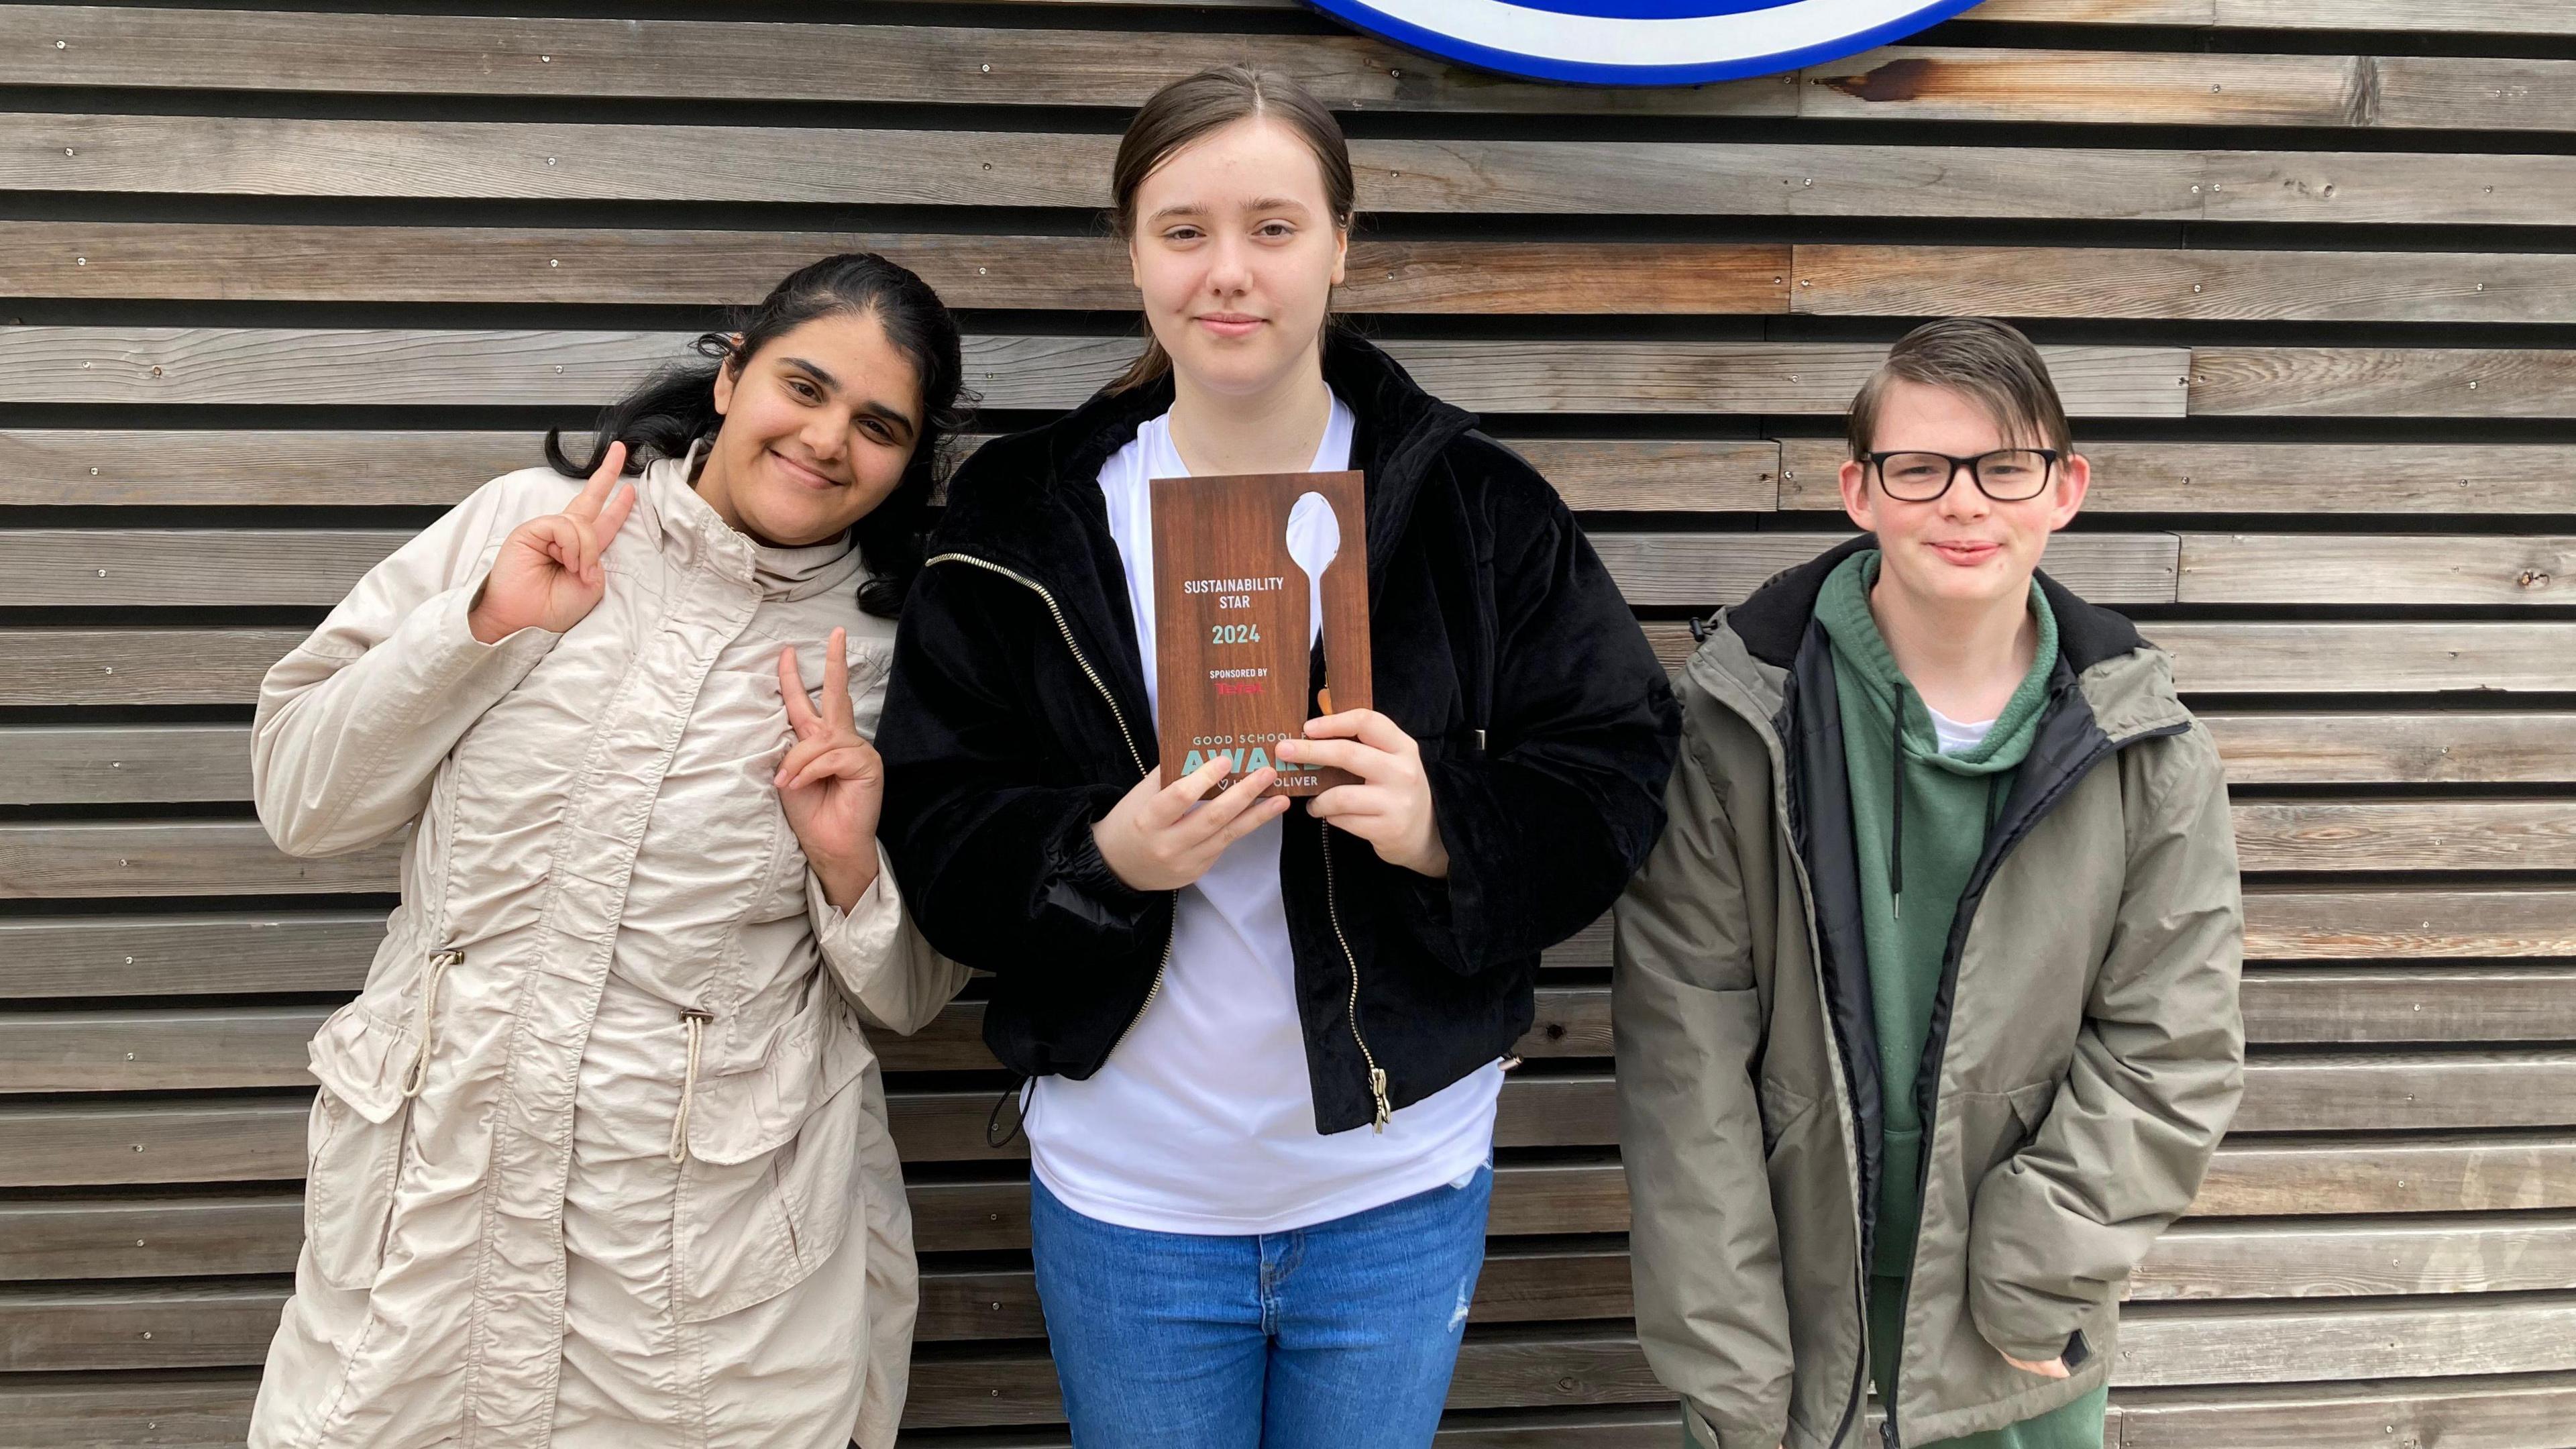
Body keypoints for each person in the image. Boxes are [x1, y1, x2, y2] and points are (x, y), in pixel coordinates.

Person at [874, 66, 1678, 1449]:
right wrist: (1099, 858)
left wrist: (1444, 820)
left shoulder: (1472, 506)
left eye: (1273, 226)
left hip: (1393, 1186)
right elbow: (936, 818)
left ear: (1342, 245)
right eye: (1184, 230)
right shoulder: (1023, 517)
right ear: (1132, 251)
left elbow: (1617, 766)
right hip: (1130, 1196)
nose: (1227, 272)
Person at [246, 254, 974, 1449]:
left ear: (908, 461)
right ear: (733, 374)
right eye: (804, 384)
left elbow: (909, 999)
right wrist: (480, 627)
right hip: (422, 1247)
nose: (830, 439)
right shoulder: (529, 522)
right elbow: (300, 802)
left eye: (879, 424)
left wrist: (850, 866)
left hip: (705, 1309)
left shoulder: (901, 648)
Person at [1613, 318, 2245, 1449]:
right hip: (1795, 1359)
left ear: (2066, 488)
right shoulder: (1736, 727)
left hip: (2019, 1352)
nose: (1965, 503)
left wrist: (2032, 1277)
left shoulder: (2147, 751)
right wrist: (1733, 1368)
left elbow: (2174, 1047)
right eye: (1922, 468)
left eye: (2006, 467)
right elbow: (1683, 1063)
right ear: (1860, 490)